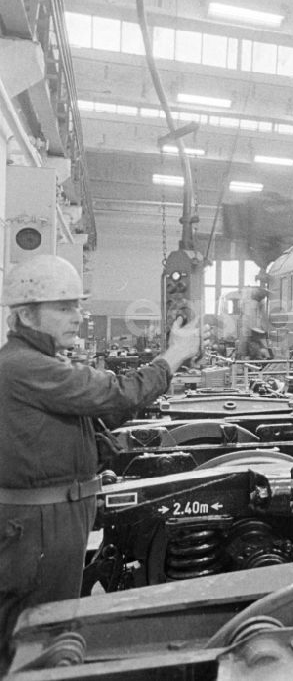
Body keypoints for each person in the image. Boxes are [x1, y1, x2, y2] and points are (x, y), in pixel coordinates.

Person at [0, 255, 205, 671]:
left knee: (46, 625)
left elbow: (108, 413)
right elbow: (116, 395)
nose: (77, 316)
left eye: (77, 305)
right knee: (39, 631)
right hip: (40, 523)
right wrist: (174, 355)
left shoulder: (43, 363)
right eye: (63, 307)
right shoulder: (25, 366)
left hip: (52, 517)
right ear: (24, 314)